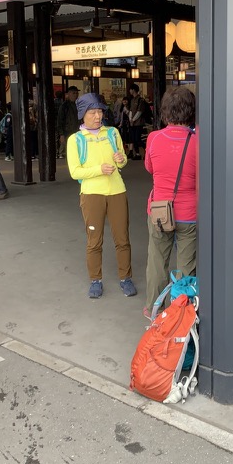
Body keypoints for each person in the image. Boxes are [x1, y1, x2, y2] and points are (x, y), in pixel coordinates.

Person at [66, 93, 136, 300]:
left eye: (100, 111)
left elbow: (122, 163)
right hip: (91, 194)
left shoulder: (113, 133)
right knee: (94, 240)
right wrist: (98, 169)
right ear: (83, 114)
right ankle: (95, 280)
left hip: (117, 191)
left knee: (122, 238)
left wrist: (121, 159)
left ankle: (126, 277)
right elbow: (75, 172)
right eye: (92, 112)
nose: (98, 116)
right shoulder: (75, 140)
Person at [143, 87, 197, 317]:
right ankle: (181, 311)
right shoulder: (199, 141)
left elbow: (149, 168)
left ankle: (153, 308)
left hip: (159, 210)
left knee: (157, 260)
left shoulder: (155, 138)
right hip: (189, 212)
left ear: (165, 111)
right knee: (187, 264)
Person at [58, 86, 80, 153]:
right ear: (68, 94)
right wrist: (61, 134)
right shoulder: (64, 106)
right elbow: (60, 120)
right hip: (68, 132)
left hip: (78, 131)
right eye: (74, 93)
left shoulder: (79, 104)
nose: (76, 95)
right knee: (70, 150)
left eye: (77, 93)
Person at [128, 83, 146, 160]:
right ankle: (137, 154)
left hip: (139, 123)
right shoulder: (132, 100)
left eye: (130, 89)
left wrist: (133, 119)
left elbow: (139, 111)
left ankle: (147, 149)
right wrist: (130, 119)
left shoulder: (140, 100)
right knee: (134, 139)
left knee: (138, 139)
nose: (129, 91)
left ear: (134, 90)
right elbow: (131, 111)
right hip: (133, 123)